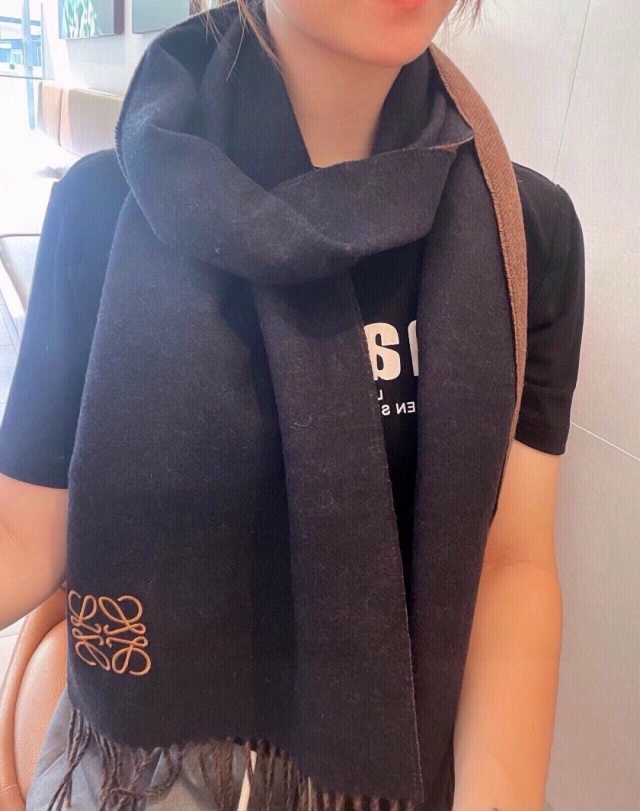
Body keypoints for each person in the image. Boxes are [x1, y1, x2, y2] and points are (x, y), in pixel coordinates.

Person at [0, 1, 585, 810]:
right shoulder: (103, 209)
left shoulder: (520, 235)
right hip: (147, 774)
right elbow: (24, 533)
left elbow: (509, 561)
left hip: (391, 776)